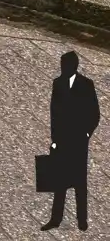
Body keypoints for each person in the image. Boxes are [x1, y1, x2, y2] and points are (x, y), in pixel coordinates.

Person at [47, 50, 98, 231]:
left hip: (78, 141)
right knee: (59, 181)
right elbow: (54, 114)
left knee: (79, 182)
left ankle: (82, 220)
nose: (63, 68)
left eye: (65, 65)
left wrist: (86, 134)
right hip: (62, 140)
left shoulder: (86, 84)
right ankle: (55, 219)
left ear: (73, 66)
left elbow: (94, 113)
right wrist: (54, 139)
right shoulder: (57, 84)